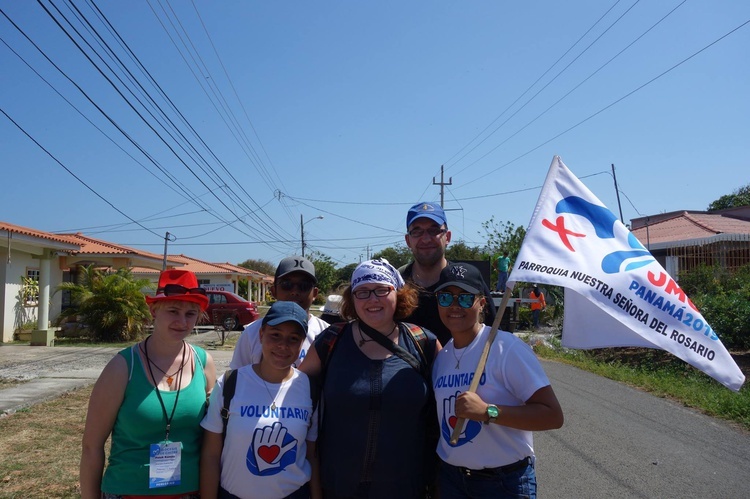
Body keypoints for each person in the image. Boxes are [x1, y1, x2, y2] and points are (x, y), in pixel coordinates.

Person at [299, 259, 441, 499]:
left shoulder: (423, 342)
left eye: (382, 290)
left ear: (398, 293)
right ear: (352, 299)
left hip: (405, 487)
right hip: (337, 486)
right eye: (362, 292)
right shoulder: (331, 340)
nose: (372, 299)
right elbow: (293, 390)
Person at [80, 269, 217, 499]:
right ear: (154, 310)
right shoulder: (123, 367)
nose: (182, 322)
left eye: (191, 314)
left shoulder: (203, 363)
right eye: (173, 311)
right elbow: (92, 447)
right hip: (128, 493)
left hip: (189, 493)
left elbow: (212, 441)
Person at [432, 263, 563, 499]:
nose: (454, 305)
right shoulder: (441, 357)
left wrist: (488, 411)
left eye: (464, 298)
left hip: (502, 484)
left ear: (482, 303)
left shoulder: (505, 348)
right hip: (452, 480)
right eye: (445, 297)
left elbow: (552, 415)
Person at [201, 301, 321, 499]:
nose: (283, 345)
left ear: (301, 344)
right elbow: (211, 455)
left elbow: (312, 456)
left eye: (293, 338)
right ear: (261, 334)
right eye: (275, 335)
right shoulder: (230, 383)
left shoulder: (309, 389)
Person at [399, 201, 497, 345]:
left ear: (448, 237)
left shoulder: (466, 281)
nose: (426, 239)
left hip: (461, 366)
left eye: (434, 231)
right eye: (417, 231)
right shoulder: (396, 284)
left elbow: (493, 333)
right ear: (408, 240)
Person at [231, 256, 328, 369]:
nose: (294, 292)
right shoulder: (251, 333)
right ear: (273, 291)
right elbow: (238, 377)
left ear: (315, 293)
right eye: (286, 285)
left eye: (304, 286)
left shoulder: (326, 334)